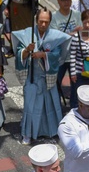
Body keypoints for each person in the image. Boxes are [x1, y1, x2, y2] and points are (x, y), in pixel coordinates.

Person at [13, 10, 71, 145]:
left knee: (48, 106)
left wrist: (44, 55)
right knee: (30, 106)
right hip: (32, 76)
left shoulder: (54, 36)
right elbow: (19, 52)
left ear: (50, 22)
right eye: (41, 21)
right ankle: (27, 133)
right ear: (36, 20)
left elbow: (57, 54)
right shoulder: (27, 34)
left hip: (46, 77)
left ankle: (50, 132)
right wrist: (27, 50)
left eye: (46, 22)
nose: (43, 24)